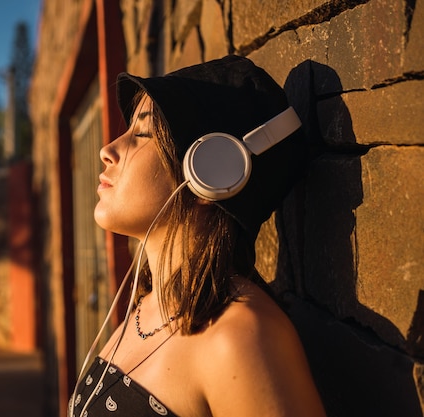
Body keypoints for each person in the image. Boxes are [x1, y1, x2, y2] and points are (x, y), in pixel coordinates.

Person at [69, 55, 326, 417]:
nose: (106, 150)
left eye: (142, 134)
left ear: (213, 169)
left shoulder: (239, 336)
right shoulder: (145, 305)